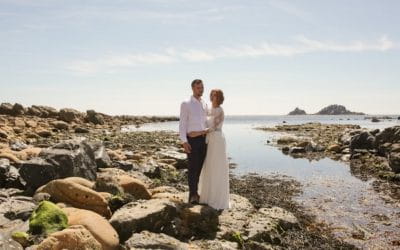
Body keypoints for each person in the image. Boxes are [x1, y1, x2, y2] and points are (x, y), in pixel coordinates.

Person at [196, 89, 230, 210]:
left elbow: (213, 126)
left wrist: (199, 132)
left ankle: (217, 198)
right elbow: (202, 121)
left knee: (217, 166)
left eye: (215, 95)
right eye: (211, 95)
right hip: (209, 140)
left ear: (219, 97)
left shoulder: (220, 111)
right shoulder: (208, 109)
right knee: (209, 165)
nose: (213, 97)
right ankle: (207, 196)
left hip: (217, 139)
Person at [179, 79, 208, 204]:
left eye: (202, 87)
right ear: (192, 88)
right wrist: (184, 141)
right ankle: (193, 195)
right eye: (198, 88)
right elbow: (182, 123)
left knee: (201, 168)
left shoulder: (205, 103)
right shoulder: (186, 103)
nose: (200, 90)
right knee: (193, 169)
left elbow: (206, 122)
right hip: (192, 141)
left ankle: (197, 192)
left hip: (204, 141)